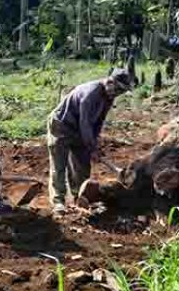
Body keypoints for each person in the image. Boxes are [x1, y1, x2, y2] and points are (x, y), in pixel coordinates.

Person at [46, 68, 133, 214]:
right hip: (61, 125)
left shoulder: (108, 97)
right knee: (59, 165)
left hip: (78, 129)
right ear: (110, 82)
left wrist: (94, 144)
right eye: (118, 89)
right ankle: (58, 202)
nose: (118, 93)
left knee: (82, 164)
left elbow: (98, 122)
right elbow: (85, 123)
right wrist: (91, 148)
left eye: (122, 91)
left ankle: (79, 197)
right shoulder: (90, 94)